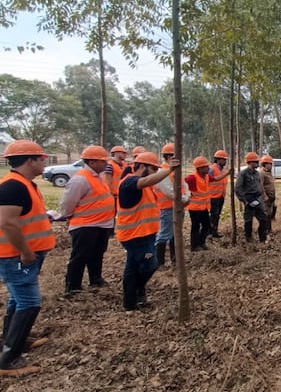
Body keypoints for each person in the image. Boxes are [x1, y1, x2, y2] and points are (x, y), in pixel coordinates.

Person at [0, 140, 56, 376]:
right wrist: (25, 252)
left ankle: (13, 341)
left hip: (22, 256)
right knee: (29, 302)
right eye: (41, 158)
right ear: (29, 160)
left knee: (17, 301)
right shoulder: (13, 186)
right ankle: (8, 360)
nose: (45, 162)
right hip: (16, 257)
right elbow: (7, 222)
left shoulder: (25, 184)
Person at [116, 151, 179, 311]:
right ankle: (136, 290)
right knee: (150, 263)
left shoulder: (143, 186)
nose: (155, 173)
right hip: (135, 236)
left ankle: (131, 300)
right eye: (153, 169)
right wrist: (169, 170)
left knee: (133, 266)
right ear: (142, 166)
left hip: (144, 234)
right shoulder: (130, 182)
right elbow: (146, 181)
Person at [59, 145, 114, 296]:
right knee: (80, 255)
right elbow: (67, 204)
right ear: (92, 162)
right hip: (85, 225)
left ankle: (95, 279)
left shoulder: (98, 177)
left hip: (101, 224)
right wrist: (68, 216)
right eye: (102, 161)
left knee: (97, 253)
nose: (106, 164)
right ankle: (73, 286)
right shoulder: (80, 180)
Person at [154, 143, 189, 269]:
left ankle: (175, 259)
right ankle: (159, 262)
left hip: (179, 206)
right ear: (170, 157)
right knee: (164, 234)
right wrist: (183, 199)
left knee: (175, 234)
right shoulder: (162, 172)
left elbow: (184, 185)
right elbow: (169, 192)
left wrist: (187, 197)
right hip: (167, 208)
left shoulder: (176, 171)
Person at [235, 152, 269, 242]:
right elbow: (238, 188)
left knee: (263, 219)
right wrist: (244, 201)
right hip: (249, 199)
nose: (258, 163)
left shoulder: (257, 173)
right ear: (250, 162)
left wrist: (264, 195)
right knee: (248, 220)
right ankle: (248, 238)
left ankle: (262, 238)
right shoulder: (243, 173)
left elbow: (260, 185)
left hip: (258, 198)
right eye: (256, 161)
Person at [185, 157, 213, 251]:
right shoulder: (192, 178)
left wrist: (228, 173)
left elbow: (215, 179)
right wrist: (187, 194)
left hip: (203, 207)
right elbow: (182, 184)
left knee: (207, 226)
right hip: (194, 208)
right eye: (206, 167)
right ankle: (194, 246)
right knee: (195, 227)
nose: (208, 168)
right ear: (199, 168)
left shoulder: (206, 177)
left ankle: (201, 243)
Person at [208, 150, 231, 238]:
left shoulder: (223, 170)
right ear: (218, 160)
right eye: (223, 159)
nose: (225, 161)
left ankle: (214, 232)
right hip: (212, 197)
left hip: (221, 196)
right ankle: (209, 233)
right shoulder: (211, 169)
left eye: (225, 160)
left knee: (217, 215)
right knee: (213, 215)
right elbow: (212, 179)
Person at [258, 155, 276, 236]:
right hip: (266, 197)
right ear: (265, 164)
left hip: (271, 196)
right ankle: (265, 230)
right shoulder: (261, 173)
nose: (271, 166)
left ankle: (269, 229)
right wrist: (264, 196)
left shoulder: (269, 172)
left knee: (270, 213)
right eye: (270, 164)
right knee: (266, 214)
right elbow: (260, 185)